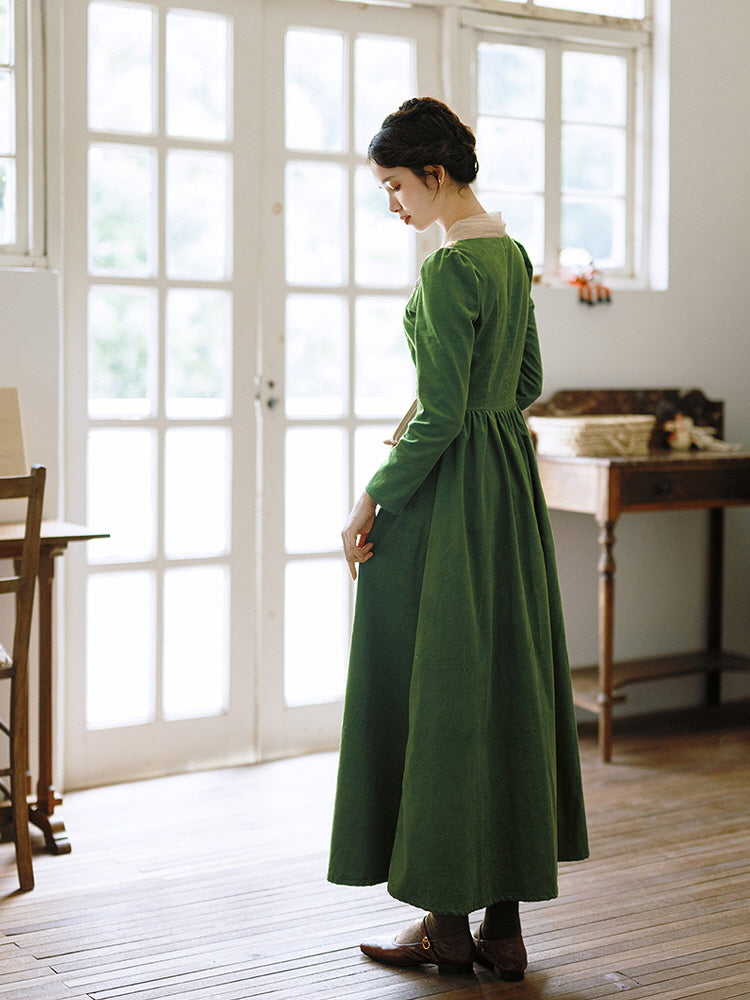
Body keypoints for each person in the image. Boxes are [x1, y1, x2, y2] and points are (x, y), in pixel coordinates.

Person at [328, 97, 588, 982]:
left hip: (445, 503)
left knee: (436, 692)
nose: (393, 205)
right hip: (508, 496)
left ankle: (444, 925)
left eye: (395, 186)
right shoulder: (508, 258)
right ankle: (504, 933)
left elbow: (440, 411)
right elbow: (528, 380)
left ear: (434, 174)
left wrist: (371, 498)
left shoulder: (448, 272)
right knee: (502, 688)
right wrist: (485, 430)